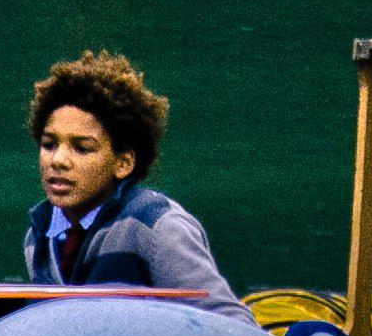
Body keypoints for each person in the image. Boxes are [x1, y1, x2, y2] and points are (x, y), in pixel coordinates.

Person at [19, 49, 250, 321]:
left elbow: (233, 325)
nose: (58, 160)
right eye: (49, 144)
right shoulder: (37, 238)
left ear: (123, 163)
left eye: (82, 148)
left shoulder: (157, 227)